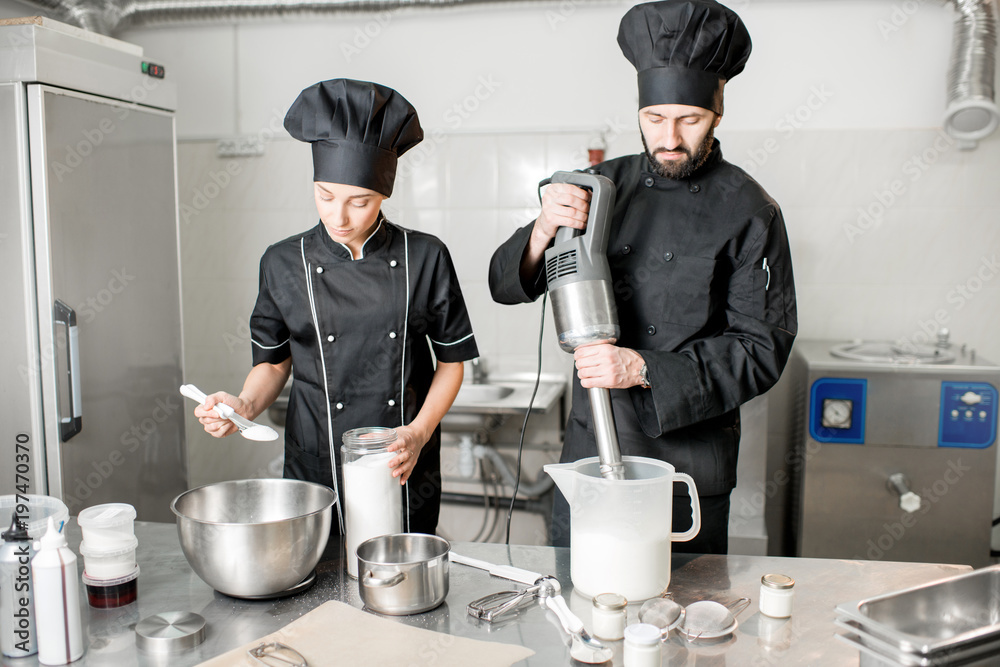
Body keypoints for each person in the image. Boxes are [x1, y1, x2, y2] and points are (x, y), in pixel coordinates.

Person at [489, 0, 797, 554]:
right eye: (655, 119)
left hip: (687, 464)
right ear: (638, 111)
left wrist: (640, 366)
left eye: (689, 119)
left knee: (679, 623)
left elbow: (761, 349)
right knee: (584, 611)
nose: (670, 137)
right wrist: (541, 229)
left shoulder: (751, 210)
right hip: (592, 452)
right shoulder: (601, 185)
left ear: (718, 111)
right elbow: (505, 285)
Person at [193, 79, 479, 537]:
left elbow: (452, 364)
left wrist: (419, 433)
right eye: (325, 195)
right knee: (316, 582)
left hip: (400, 458)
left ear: (384, 193)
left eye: (359, 202)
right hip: (315, 461)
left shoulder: (425, 256)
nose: (339, 217)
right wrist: (242, 405)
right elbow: (272, 364)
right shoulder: (282, 261)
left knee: (395, 583)